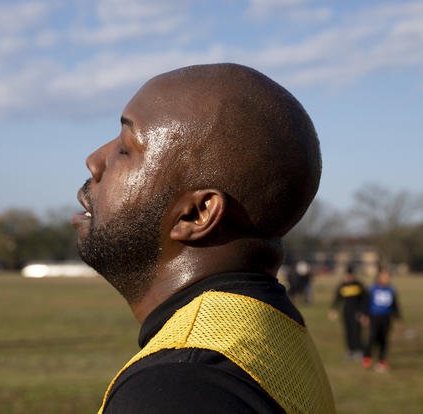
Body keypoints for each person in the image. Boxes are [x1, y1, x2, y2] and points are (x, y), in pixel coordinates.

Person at [71, 63, 335, 413]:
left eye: (126, 148)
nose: (94, 160)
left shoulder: (179, 388)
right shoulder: (270, 330)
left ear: (196, 214)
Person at [362, 269, 401, 372]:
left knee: (384, 340)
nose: (386, 278)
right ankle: (367, 357)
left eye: (387, 276)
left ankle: (382, 361)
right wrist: (365, 316)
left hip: (386, 318)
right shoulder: (372, 289)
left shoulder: (391, 290)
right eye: (384, 276)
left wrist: (397, 318)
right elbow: (366, 303)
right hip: (374, 317)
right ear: (379, 277)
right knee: (372, 337)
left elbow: (395, 305)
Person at [329, 265, 367, 360]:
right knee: (348, 332)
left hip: (357, 313)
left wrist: (363, 313)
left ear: (353, 275)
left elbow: (365, 300)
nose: (348, 277)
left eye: (350, 275)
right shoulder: (342, 286)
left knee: (356, 332)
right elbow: (337, 299)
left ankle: (359, 350)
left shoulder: (359, 285)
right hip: (346, 312)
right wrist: (334, 310)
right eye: (347, 275)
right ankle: (350, 351)